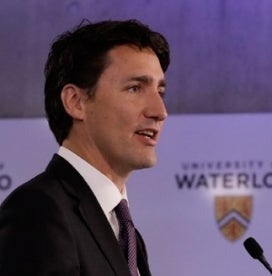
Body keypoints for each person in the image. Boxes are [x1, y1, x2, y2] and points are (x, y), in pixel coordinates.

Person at [0, 19, 170, 275]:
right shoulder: (38, 212)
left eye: (160, 91)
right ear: (76, 102)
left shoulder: (128, 235)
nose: (160, 111)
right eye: (135, 88)